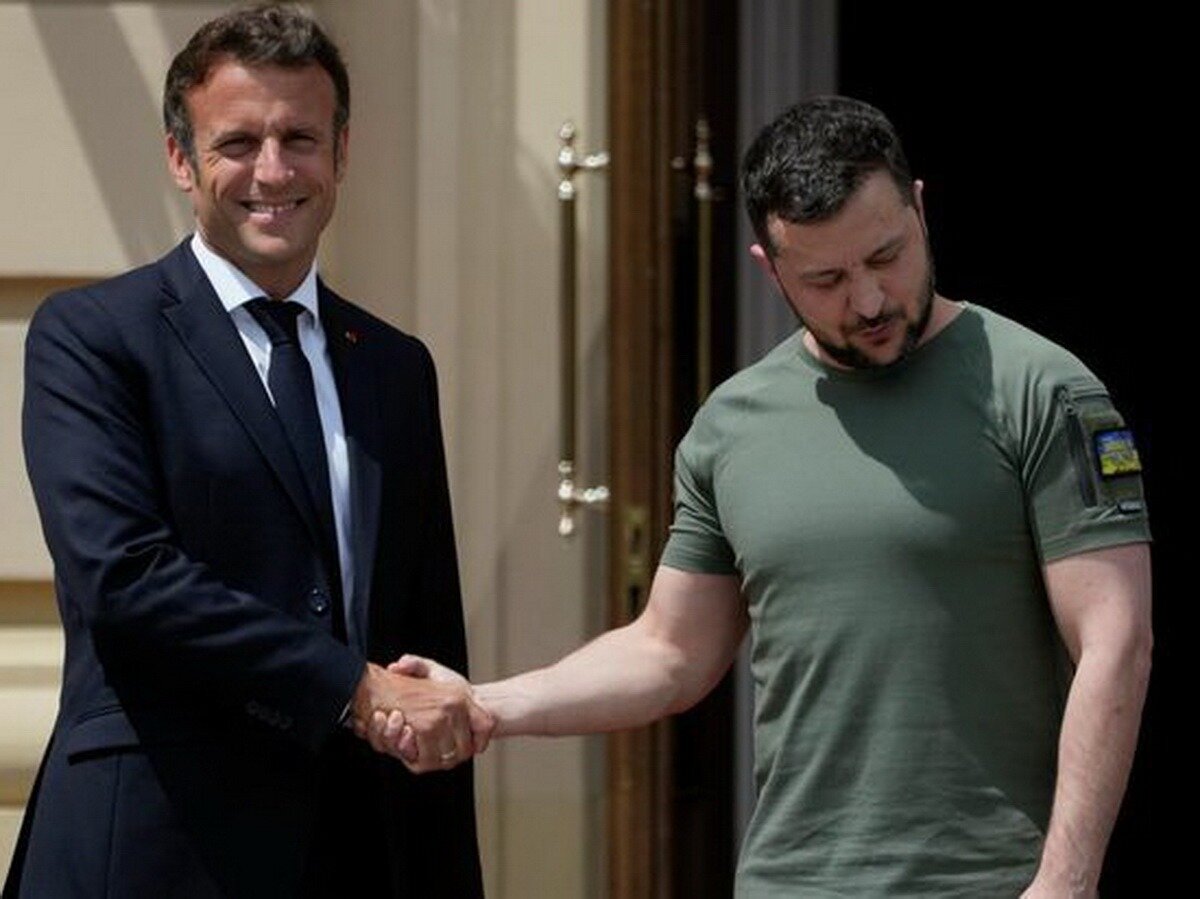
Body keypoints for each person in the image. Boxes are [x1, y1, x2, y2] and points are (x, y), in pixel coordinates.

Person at [387, 96, 1153, 896]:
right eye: (826, 279)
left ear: (921, 209)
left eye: (887, 255)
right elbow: (669, 650)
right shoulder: (732, 426)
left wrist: (1065, 880)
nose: (868, 299)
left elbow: (1116, 640)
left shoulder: (1039, 390)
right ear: (770, 269)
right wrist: (485, 703)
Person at [5, 6, 490, 898]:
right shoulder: (93, 337)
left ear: (342, 153)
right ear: (180, 159)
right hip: (155, 850)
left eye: (300, 138)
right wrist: (349, 687)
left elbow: (422, 633)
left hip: (352, 853)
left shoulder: (394, 366)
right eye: (238, 142)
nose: (273, 171)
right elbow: (125, 578)